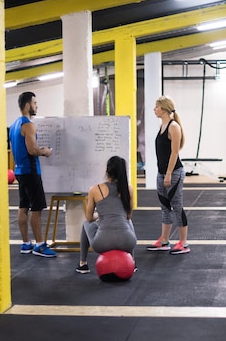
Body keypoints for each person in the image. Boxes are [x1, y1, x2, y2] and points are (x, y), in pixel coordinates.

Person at [9, 92, 57, 257]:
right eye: (35, 103)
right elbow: (32, 149)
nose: (37, 106)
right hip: (30, 172)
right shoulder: (28, 125)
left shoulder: (15, 124)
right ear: (28, 105)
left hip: (20, 172)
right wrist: (45, 151)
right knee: (36, 209)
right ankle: (40, 245)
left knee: (23, 207)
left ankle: (26, 243)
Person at [76, 155, 137, 274]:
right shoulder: (128, 189)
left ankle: (83, 264)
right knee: (128, 221)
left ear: (107, 171)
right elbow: (128, 216)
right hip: (128, 242)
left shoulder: (95, 189)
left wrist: (100, 216)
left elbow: (89, 218)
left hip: (102, 243)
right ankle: (132, 262)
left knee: (85, 223)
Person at [147, 95, 190, 254]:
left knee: (177, 207)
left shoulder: (174, 127)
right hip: (162, 172)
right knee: (165, 207)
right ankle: (164, 241)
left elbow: (174, 153)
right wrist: (162, 173)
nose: (154, 109)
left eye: (157, 107)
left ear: (164, 109)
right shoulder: (162, 125)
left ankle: (183, 243)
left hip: (174, 173)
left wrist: (169, 174)